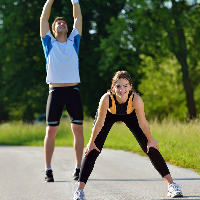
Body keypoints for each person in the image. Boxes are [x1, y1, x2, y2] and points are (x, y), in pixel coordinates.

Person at [73, 71, 183, 200]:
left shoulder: (136, 99)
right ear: (113, 87)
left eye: (125, 86)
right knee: (93, 150)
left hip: (130, 115)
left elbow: (143, 123)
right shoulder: (106, 99)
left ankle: (172, 185)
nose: (122, 89)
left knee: (150, 147)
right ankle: (79, 191)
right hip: (109, 116)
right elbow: (99, 124)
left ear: (130, 87)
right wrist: (91, 142)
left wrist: (150, 140)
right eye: (118, 86)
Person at [40, 0, 84, 182]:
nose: (62, 24)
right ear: (53, 28)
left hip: (73, 92)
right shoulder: (49, 42)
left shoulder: (74, 40)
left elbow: (78, 17)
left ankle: (79, 168)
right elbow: (43, 18)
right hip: (55, 92)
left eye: (64, 22)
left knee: (78, 131)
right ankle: (48, 170)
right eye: (58, 22)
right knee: (51, 131)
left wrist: (75, 1)